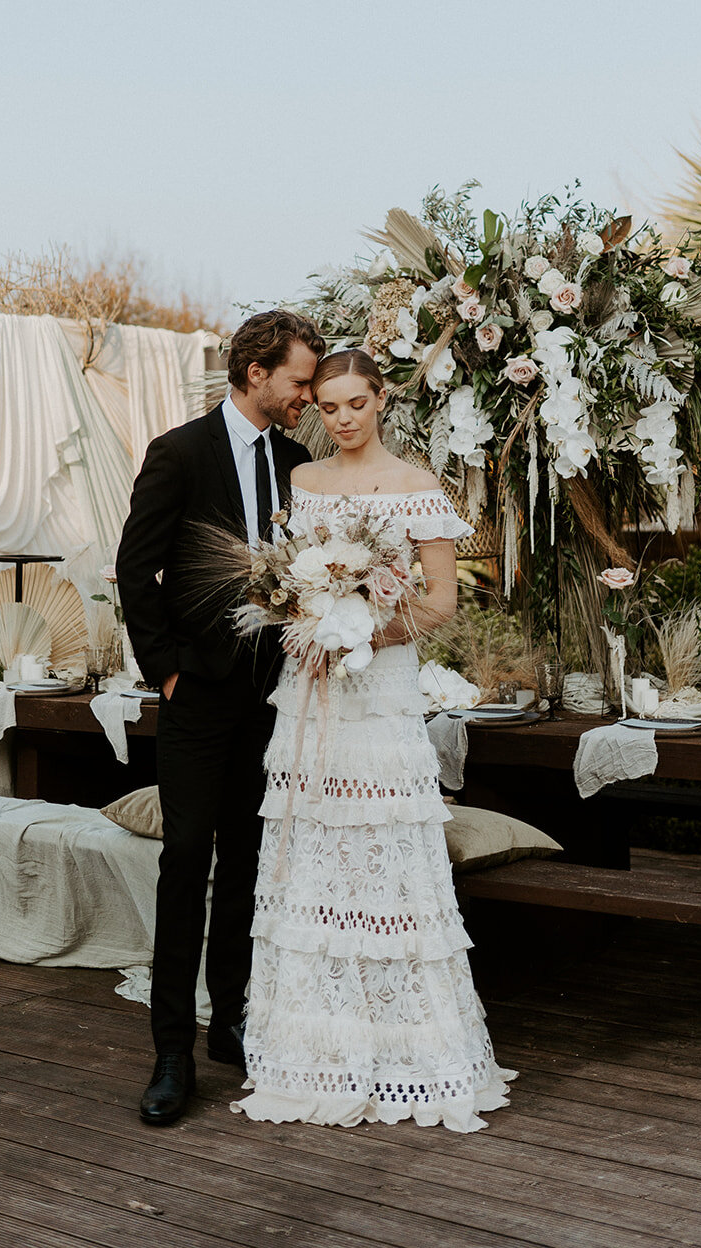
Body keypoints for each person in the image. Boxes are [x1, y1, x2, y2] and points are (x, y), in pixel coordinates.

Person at [232, 348, 515, 1133]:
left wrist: (362, 631)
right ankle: (315, 1048)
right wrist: (308, 621)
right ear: (317, 409)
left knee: (384, 852)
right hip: (310, 691)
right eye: (329, 406)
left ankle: (407, 1053)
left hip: (377, 688)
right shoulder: (302, 485)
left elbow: (442, 603)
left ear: (381, 398)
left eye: (356, 402)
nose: (344, 418)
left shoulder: (416, 487)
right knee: (315, 849)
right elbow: (281, 582)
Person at [116, 309, 325, 1126]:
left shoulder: (299, 463)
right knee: (184, 861)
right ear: (254, 373)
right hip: (196, 696)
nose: (306, 397)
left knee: (248, 860)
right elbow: (137, 571)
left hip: (275, 699)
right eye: (299, 381)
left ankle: (230, 1021)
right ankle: (171, 1050)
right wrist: (165, 670)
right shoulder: (178, 453)